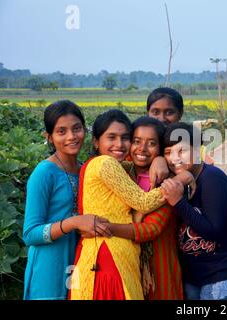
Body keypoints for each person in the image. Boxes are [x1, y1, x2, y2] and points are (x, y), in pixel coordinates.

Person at [69, 110, 192, 300]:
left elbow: (151, 227)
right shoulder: (111, 166)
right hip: (111, 258)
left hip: (154, 265)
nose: (120, 144)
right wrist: (181, 178)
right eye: (112, 137)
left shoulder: (143, 174)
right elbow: (143, 202)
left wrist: (169, 170)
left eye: (124, 138)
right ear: (95, 141)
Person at [23, 100, 110, 300]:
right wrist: (73, 222)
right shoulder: (44, 173)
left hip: (78, 264)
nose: (71, 136)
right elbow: (30, 234)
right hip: (48, 270)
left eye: (77, 128)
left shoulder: (86, 170)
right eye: (61, 131)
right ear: (49, 137)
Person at [160, 122, 227, 300]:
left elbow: (213, 231)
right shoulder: (179, 181)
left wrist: (178, 202)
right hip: (194, 276)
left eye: (182, 151)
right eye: (167, 153)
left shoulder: (211, 178)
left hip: (221, 273)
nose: (174, 158)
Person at [104, 116, 183, 300]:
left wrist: (104, 228)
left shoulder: (167, 181)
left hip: (159, 267)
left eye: (152, 143)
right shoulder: (120, 174)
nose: (142, 149)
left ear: (161, 149)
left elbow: (150, 229)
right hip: (126, 264)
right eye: (137, 141)